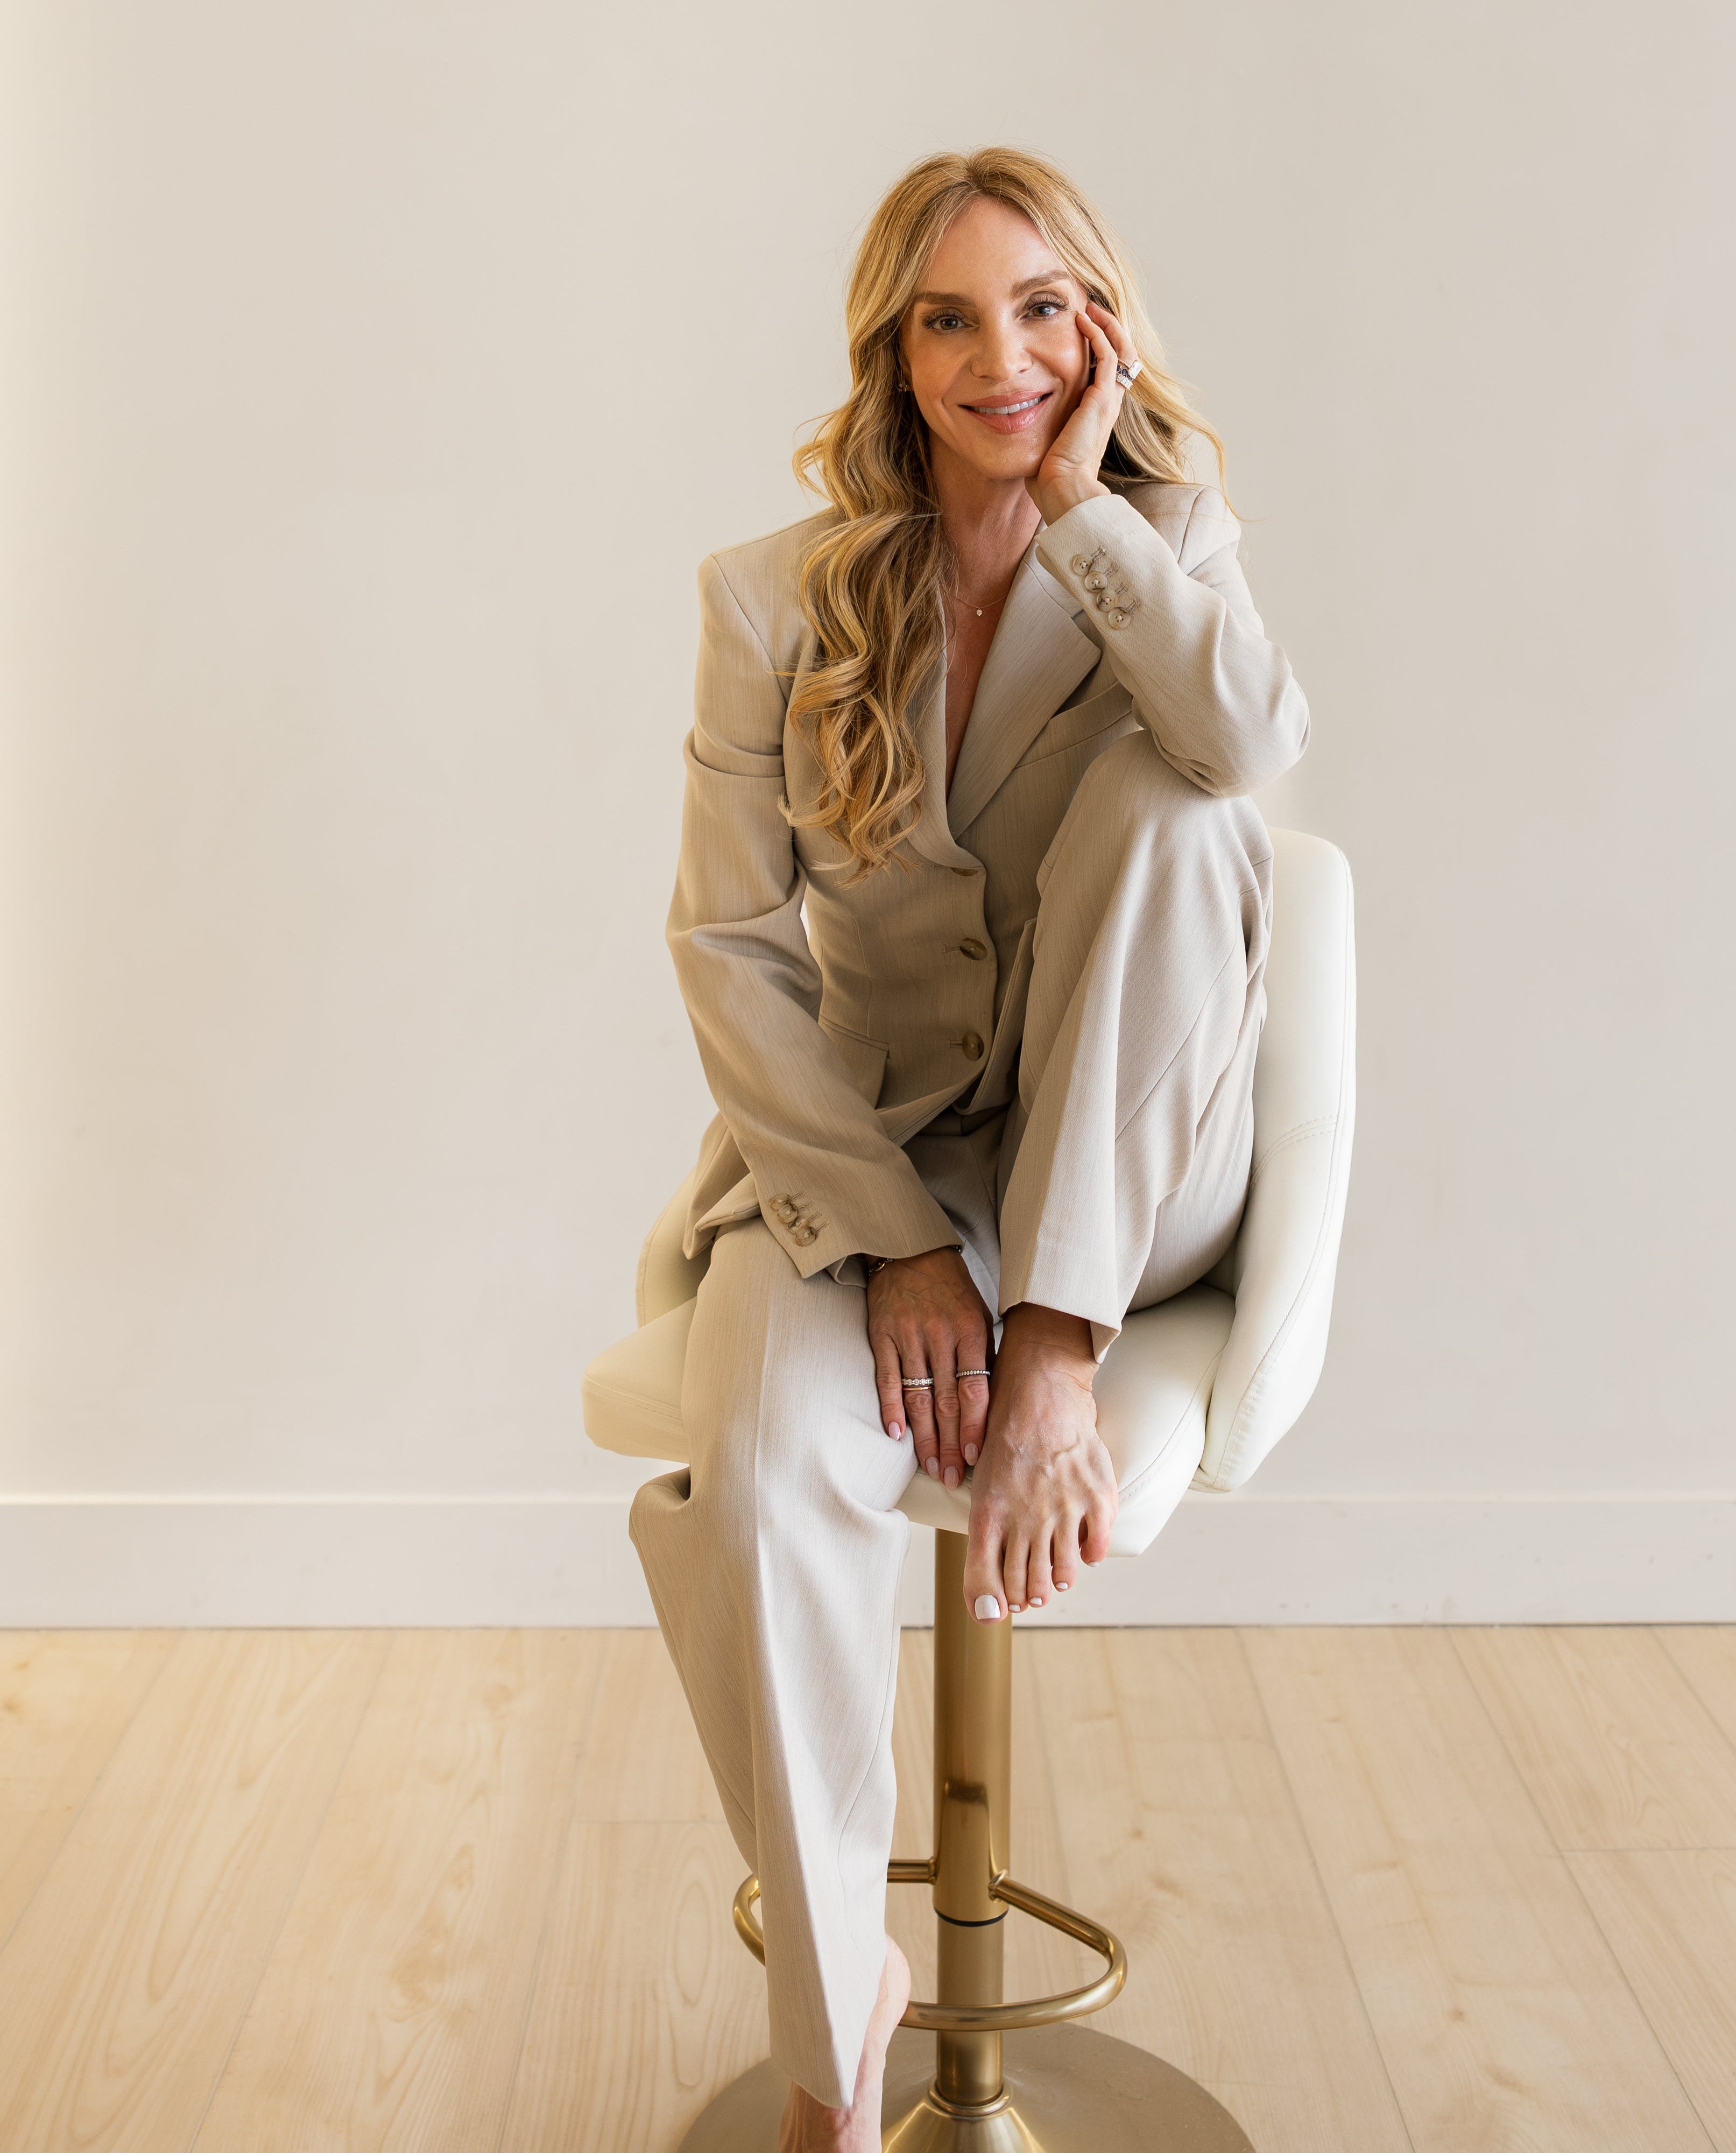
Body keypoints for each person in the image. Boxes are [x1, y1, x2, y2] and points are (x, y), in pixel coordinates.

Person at [630, 146, 1309, 2153]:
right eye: (948, 316)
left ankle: (1066, 1353)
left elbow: (1254, 753)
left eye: (1038, 309)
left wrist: (1089, 508)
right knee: (752, 1465)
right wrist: (900, 1252)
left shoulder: (1164, 546)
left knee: (1189, 813)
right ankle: (838, 2041)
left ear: (1096, 329)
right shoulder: (772, 600)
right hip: (885, 1166)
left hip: (1130, 1164)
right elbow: (729, 950)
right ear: (892, 348)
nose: (996, 356)